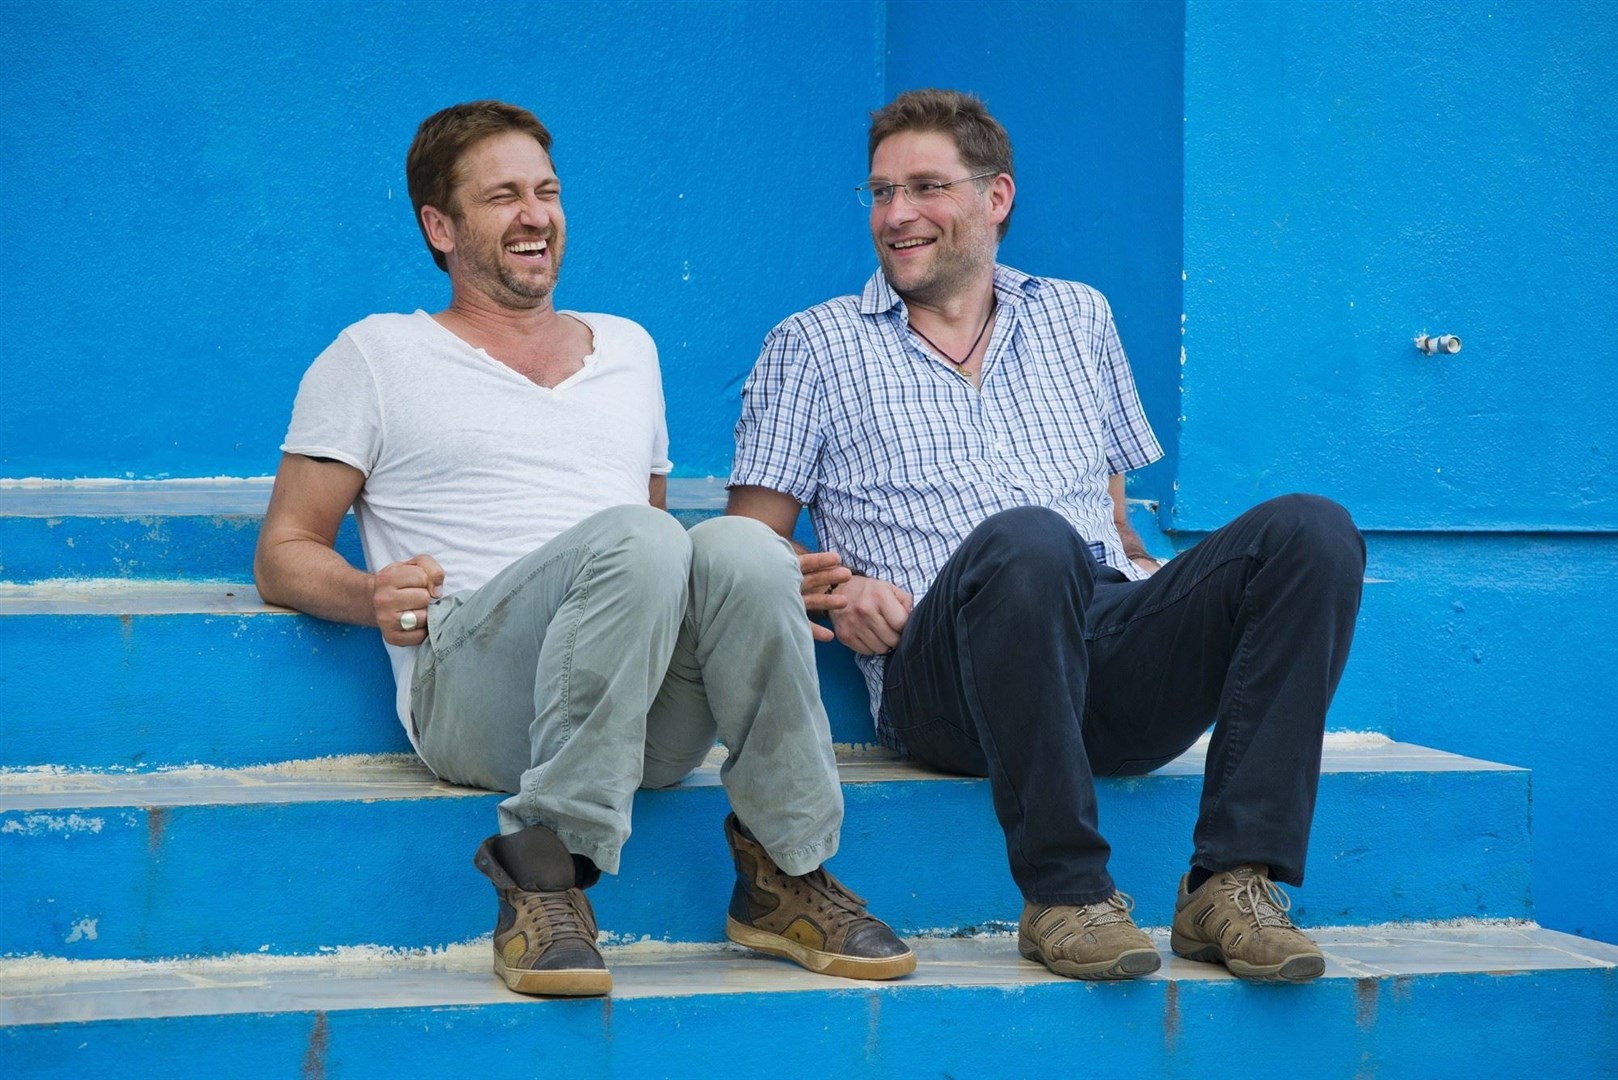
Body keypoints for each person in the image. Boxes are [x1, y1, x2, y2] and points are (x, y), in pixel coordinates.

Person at [254, 100, 913, 998]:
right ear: (439, 228)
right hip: (475, 692)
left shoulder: (630, 351)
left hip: (636, 712)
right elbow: (284, 549)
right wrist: (367, 594)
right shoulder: (374, 355)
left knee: (750, 553)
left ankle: (783, 875)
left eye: (547, 191)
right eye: (502, 198)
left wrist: (741, 590)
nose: (535, 215)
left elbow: (651, 564)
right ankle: (544, 872)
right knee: (648, 536)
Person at [728, 88, 1365, 983]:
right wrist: (841, 587)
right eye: (880, 193)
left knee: (1313, 529)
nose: (897, 215)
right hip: (947, 676)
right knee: (1029, 540)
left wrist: (1165, 598)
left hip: (1102, 646)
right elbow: (745, 552)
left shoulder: (1080, 317)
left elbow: (1111, 521)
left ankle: (1232, 882)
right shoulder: (815, 344)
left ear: (997, 198)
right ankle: (1066, 895)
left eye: (924, 188)